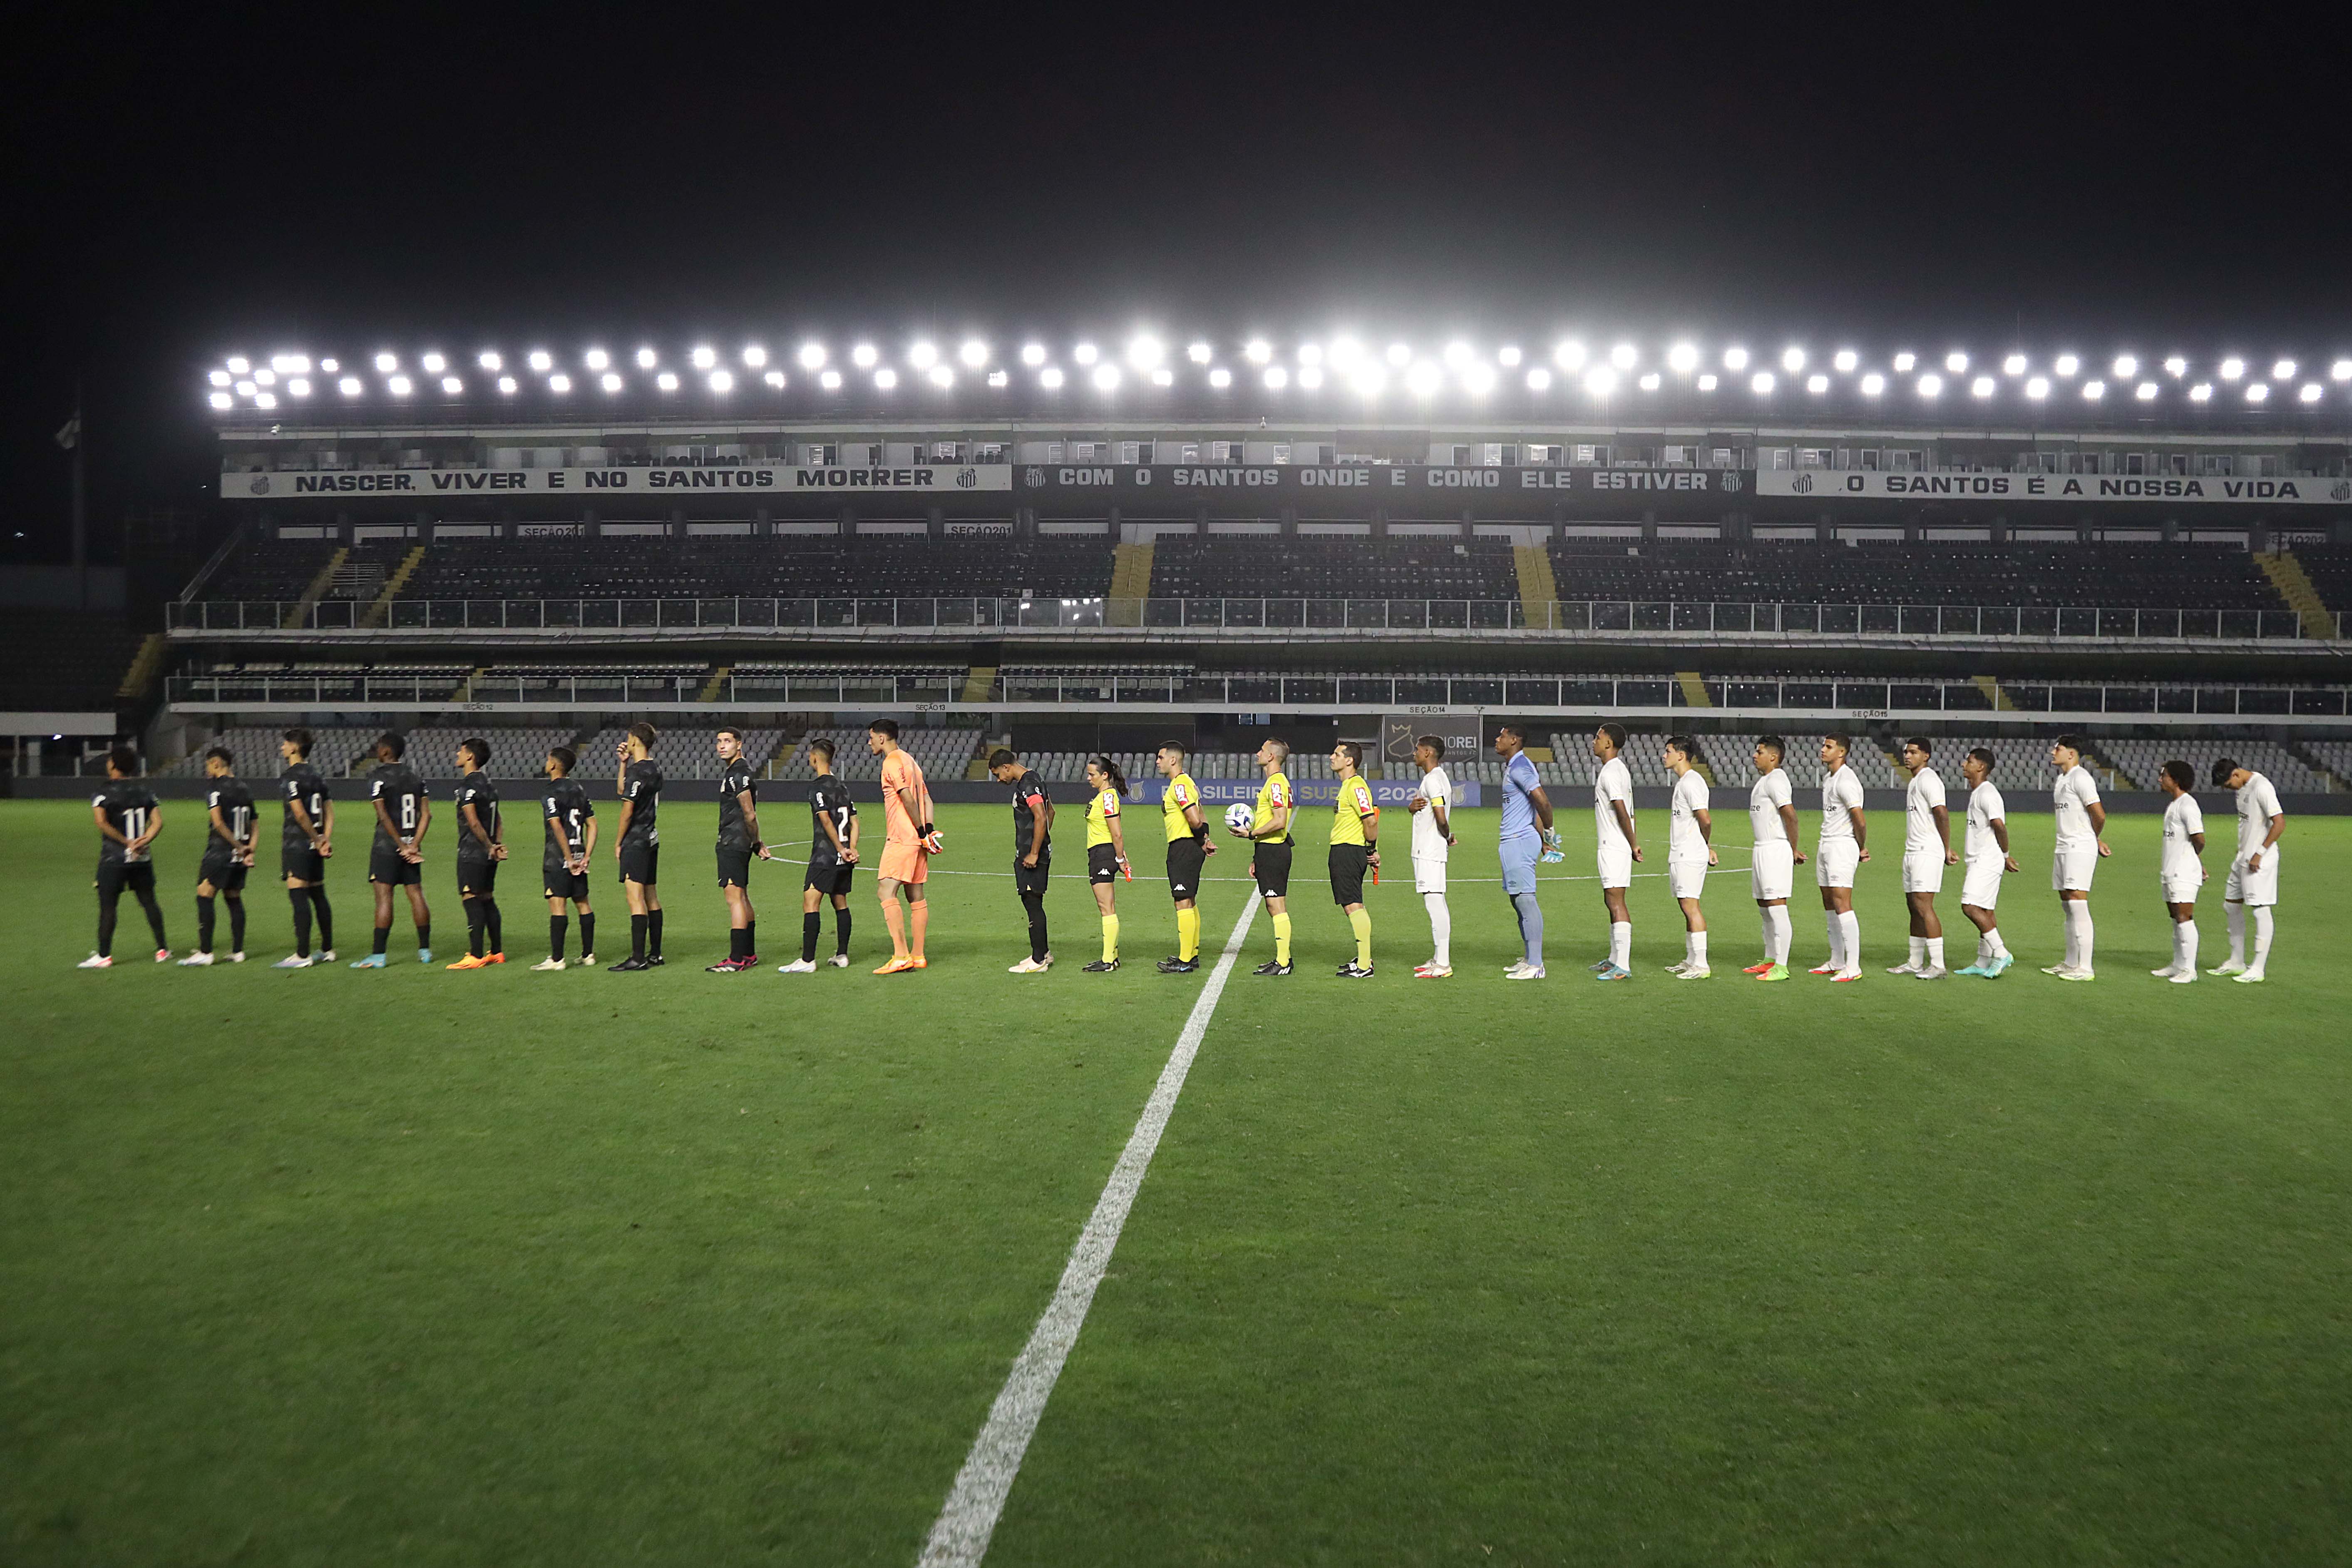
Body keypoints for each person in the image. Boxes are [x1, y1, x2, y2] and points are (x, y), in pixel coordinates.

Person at [80, 745, 166, 967]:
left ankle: (103, 956)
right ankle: (162, 950)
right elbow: (158, 822)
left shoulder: (103, 792)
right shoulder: (145, 791)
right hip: (142, 859)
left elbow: (101, 822)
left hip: (114, 859)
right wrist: (144, 840)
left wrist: (126, 842)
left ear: (113, 765)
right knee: (149, 902)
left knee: (109, 907)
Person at [780, 738, 858, 974]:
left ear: (815, 758)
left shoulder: (817, 788)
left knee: (810, 902)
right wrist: (851, 849)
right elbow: (854, 820)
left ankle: (807, 960)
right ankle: (842, 955)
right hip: (844, 857)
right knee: (840, 902)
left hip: (826, 856)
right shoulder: (842, 787)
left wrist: (839, 849)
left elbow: (825, 819)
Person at [353, 732, 431, 968]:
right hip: (411, 844)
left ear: (387, 751)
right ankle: (425, 951)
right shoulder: (415, 777)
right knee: (416, 893)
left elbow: (383, 815)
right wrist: (414, 844)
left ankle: (379, 955)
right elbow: (426, 814)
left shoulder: (378, 778)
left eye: (379, 748)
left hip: (387, 847)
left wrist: (400, 845)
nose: (377, 751)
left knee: (384, 898)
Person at [2208, 756, 2285, 982]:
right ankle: (2237, 961)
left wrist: (2259, 852)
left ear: (2236, 774)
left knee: (2260, 910)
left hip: (2260, 860)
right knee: (2230, 906)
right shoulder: (2241, 789)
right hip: (2243, 858)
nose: (2227, 789)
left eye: (2227, 784)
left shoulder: (2262, 787)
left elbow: (2279, 822)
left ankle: (2258, 969)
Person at [868, 718, 935, 974]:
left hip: (902, 838)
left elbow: (907, 797)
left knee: (886, 891)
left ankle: (900, 956)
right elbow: (927, 799)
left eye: (872, 737)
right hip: (917, 842)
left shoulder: (892, 762)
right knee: (915, 896)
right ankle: (918, 956)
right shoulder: (911, 761)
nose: (870, 742)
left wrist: (919, 831)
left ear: (882, 738)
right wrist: (928, 832)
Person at [182, 745, 256, 965]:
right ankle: (238, 951)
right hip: (239, 855)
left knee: (204, 894)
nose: (207, 769)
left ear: (216, 763)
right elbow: (255, 822)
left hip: (221, 851)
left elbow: (218, 822)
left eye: (208, 764)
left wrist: (237, 846)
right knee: (233, 897)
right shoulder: (244, 788)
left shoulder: (215, 789)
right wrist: (249, 848)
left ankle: (205, 953)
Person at [1494, 721, 1557, 979]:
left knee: (1526, 900)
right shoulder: (1514, 767)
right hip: (1516, 840)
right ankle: (1529, 958)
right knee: (1516, 900)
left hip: (1519, 840)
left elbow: (1542, 799)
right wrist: (1542, 841)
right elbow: (1533, 806)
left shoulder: (1520, 766)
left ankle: (1537, 965)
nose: (1498, 739)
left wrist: (1550, 832)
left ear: (1515, 740)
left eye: (1503, 735)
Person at [1888, 738, 1954, 979]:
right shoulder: (1915, 781)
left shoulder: (1929, 780)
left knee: (1924, 906)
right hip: (1913, 851)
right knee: (1913, 907)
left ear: (1926, 756)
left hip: (1927, 851)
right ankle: (1915, 962)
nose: (1907, 756)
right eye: (1906, 752)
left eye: (1914, 752)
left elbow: (1942, 813)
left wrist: (1947, 848)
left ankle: (1938, 965)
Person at [1952, 748, 2021, 977]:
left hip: (1987, 859)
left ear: (1981, 767)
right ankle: (1983, 962)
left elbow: (1999, 825)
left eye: (1970, 761)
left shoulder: (1987, 793)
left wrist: (2005, 855)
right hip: (1981, 858)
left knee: (1970, 906)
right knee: (1985, 910)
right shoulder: (1978, 792)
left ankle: (2001, 953)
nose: (1964, 764)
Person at [2045, 734, 2109, 981]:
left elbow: (2099, 815)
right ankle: (2071, 962)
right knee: (2067, 904)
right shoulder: (2062, 779)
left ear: (2071, 754)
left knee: (2077, 902)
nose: (2053, 752)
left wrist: (2092, 839)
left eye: (2058, 749)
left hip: (2078, 847)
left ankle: (2086, 967)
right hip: (2064, 846)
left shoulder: (2081, 777)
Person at [708, 726, 771, 972]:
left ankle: (736, 959)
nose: (722, 746)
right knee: (742, 896)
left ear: (739, 745)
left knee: (734, 898)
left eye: (727, 741)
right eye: (719, 741)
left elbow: (749, 813)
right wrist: (754, 843)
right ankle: (748, 954)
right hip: (740, 843)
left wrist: (757, 842)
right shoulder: (739, 772)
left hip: (732, 843)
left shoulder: (737, 775)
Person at [1743, 736, 1805, 982]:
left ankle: (1782, 965)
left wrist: (1793, 849)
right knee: (1765, 908)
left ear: (1774, 756)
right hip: (1761, 849)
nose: (1755, 756)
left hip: (1774, 849)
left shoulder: (1778, 780)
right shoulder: (1764, 781)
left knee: (1777, 908)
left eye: (1760, 752)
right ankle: (1770, 959)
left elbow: (1790, 815)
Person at [1233, 736, 1296, 977]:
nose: (1258, 754)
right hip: (1267, 850)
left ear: (1271, 756)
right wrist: (1256, 856)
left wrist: (1251, 834)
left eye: (1262, 750)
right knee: (1274, 905)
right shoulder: (1274, 782)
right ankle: (1283, 960)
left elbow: (1280, 820)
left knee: (1276, 905)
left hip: (1275, 850)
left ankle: (1283, 962)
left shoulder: (1277, 783)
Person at [274, 727, 336, 967]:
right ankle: (328, 949)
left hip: (297, 844)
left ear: (294, 747)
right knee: (318, 895)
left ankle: (302, 955)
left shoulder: (290, 777)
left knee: (298, 896)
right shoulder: (318, 776)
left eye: (285, 743)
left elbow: (299, 814)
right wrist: (324, 838)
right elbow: (330, 810)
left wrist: (315, 838)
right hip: (315, 846)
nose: (282, 748)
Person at [990, 748, 1055, 973]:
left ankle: (1038, 962)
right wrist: (1042, 840)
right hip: (1035, 852)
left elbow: (1041, 815)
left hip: (1032, 857)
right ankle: (1044, 954)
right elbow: (1051, 812)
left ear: (1007, 767)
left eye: (999, 774)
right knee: (1034, 902)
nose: (1000, 780)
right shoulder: (1035, 778)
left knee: (1032, 903)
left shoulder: (1027, 785)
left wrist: (1034, 851)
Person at [1811, 733, 1868, 981]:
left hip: (1842, 845)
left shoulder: (1846, 780)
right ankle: (1837, 959)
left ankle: (1853, 967)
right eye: (1824, 745)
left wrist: (1860, 846)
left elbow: (1860, 818)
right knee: (1828, 902)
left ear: (1842, 753)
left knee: (1842, 902)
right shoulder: (1829, 778)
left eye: (1829, 747)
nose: (1823, 750)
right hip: (1826, 843)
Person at [1155, 742, 1214, 974]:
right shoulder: (1187, 783)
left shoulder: (1180, 785)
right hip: (1190, 846)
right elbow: (1202, 816)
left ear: (1173, 760)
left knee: (1182, 901)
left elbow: (1195, 819)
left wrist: (1201, 839)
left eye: (1161, 757)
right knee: (1189, 900)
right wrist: (1204, 841)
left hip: (1183, 847)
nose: (1157, 761)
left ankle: (1185, 960)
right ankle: (1191, 954)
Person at [535, 746, 597, 970]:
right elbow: (593, 824)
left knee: (558, 905)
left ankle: (557, 959)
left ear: (553, 765)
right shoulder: (579, 789)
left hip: (558, 857)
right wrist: (586, 856)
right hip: (580, 853)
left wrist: (568, 858)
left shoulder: (550, 791)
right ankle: (588, 955)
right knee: (582, 902)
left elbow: (556, 826)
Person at [448, 737, 507, 969]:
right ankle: (497, 952)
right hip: (489, 855)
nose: (457, 755)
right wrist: (496, 844)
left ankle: (475, 955)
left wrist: (488, 846)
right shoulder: (489, 786)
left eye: (461, 751)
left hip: (472, 853)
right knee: (488, 899)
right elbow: (499, 819)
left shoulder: (466, 787)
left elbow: (473, 822)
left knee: (471, 899)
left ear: (470, 756)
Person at [610, 721, 665, 972]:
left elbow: (627, 809)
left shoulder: (638, 772)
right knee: (651, 896)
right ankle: (655, 954)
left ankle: (637, 957)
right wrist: (623, 763)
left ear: (634, 740)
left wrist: (619, 841)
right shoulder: (654, 769)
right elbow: (624, 790)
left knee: (635, 898)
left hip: (636, 840)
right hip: (651, 838)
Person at [1662, 736, 1716, 979]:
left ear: (1681, 756)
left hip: (1689, 854)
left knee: (1691, 906)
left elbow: (1705, 819)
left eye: (1668, 751)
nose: (1665, 756)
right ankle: (1691, 959)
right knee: (1686, 906)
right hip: (1681, 853)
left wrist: (1705, 846)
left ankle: (1702, 965)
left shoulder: (1692, 782)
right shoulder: (1684, 783)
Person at [1590, 722, 1640, 980]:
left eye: (1598, 737)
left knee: (1617, 900)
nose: (1594, 741)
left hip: (1615, 846)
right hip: (1614, 845)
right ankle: (1614, 959)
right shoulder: (1618, 769)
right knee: (1611, 899)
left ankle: (1623, 965)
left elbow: (1621, 808)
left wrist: (1633, 844)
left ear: (1609, 743)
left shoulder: (1611, 772)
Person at [1327, 741, 1379, 977]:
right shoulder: (1348, 786)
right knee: (1352, 905)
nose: (1332, 757)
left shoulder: (1356, 786)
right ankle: (1363, 959)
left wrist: (1371, 850)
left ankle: (1364, 965)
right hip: (1345, 849)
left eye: (1337, 754)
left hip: (1349, 850)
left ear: (1350, 760)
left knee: (1353, 905)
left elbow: (1370, 821)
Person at [2152, 760, 2206, 983]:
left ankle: (2190, 970)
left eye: (2163, 775)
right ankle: (2178, 964)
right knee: (2175, 918)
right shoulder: (2174, 805)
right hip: (2170, 870)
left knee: (2185, 918)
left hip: (2183, 872)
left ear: (2175, 780)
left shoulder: (2188, 805)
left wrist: (2194, 860)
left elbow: (2199, 839)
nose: (2160, 779)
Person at [1406, 735, 1454, 978]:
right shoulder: (1435, 778)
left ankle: (1444, 963)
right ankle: (1438, 958)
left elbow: (1440, 814)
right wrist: (1411, 808)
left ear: (1427, 753)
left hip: (1430, 851)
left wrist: (1446, 836)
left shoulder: (1434, 780)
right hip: (1427, 849)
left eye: (1417, 750)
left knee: (1435, 902)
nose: (1414, 753)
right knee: (1434, 901)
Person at [1082, 755, 1131, 972]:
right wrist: (1121, 857)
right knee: (1108, 907)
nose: (1088, 778)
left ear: (1105, 775)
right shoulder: (1104, 796)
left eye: (1092, 774)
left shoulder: (1108, 797)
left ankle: (1108, 960)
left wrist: (1119, 858)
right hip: (1102, 853)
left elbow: (1117, 833)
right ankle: (1113, 957)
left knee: (1106, 908)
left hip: (1103, 854)